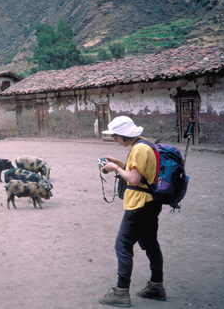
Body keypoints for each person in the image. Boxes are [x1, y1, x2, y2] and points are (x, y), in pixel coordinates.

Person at [98, 116, 166, 307]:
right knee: (150, 242)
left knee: (123, 244)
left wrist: (115, 168)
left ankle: (121, 292)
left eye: (115, 137)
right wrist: (118, 163)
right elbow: (140, 173)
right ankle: (156, 286)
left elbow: (134, 179)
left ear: (124, 135)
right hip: (151, 202)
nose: (115, 140)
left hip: (139, 204)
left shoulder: (139, 150)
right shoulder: (145, 145)